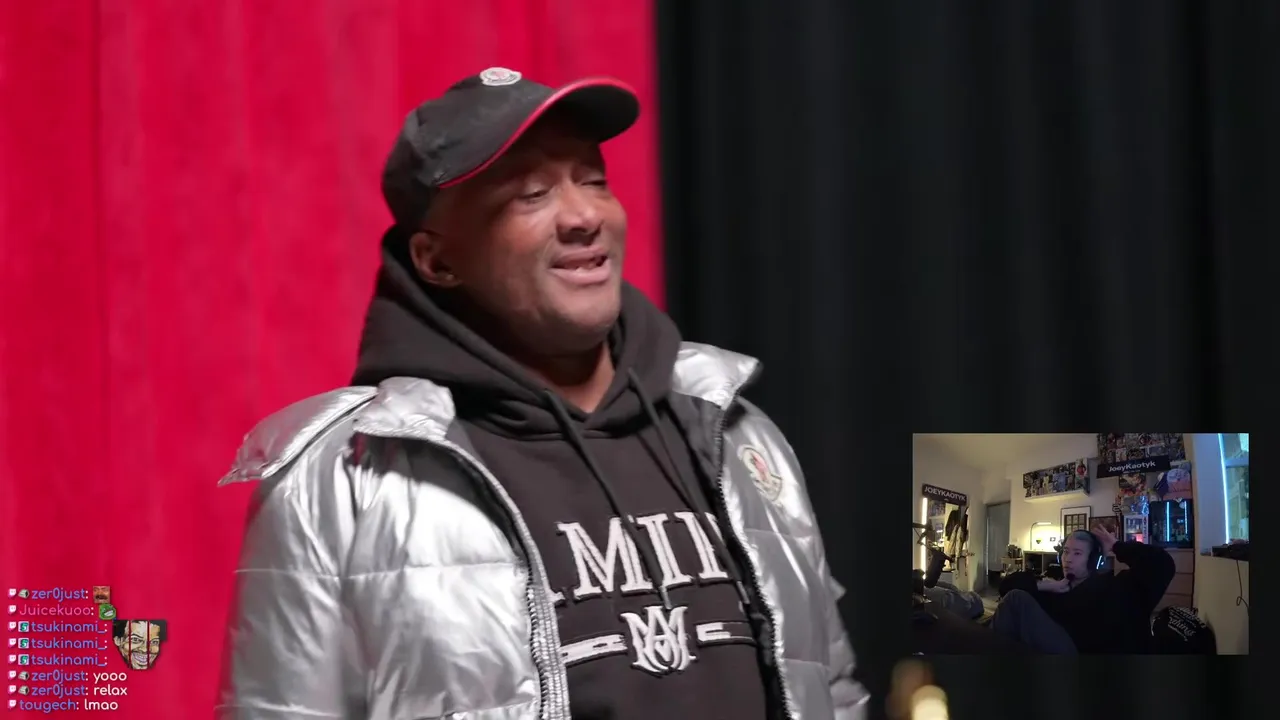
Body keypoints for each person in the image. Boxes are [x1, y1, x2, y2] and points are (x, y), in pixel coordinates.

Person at [216, 68, 868, 720]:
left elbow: (830, 689)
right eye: (531, 194)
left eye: (594, 180)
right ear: (437, 260)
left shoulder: (734, 431)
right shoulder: (342, 480)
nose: (584, 215)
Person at [989, 526, 1175, 653]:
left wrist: (1117, 546)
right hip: (1054, 651)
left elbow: (1163, 565)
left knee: (1015, 599)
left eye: (1077, 553)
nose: (1068, 559)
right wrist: (1047, 585)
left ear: (1093, 560)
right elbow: (1005, 588)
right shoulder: (1056, 589)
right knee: (1013, 600)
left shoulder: (1115, 587)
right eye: (1066, 552)